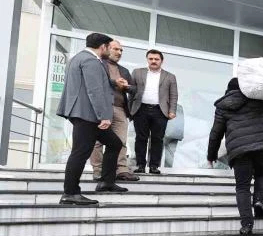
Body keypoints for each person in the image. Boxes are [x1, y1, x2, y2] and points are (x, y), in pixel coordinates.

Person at [208, 79, 263, 236]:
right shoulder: (258, 99)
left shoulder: (223, 106)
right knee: (261, 174)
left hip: (240, 149)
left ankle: (247, 224)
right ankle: (258, 200)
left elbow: (215, 133)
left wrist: (211, 155)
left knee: (242, 187)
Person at [57, 32, 128, 205]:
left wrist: (112, 83)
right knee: (80, 153)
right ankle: (70, 193)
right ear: (103, 47)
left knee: (114, 143)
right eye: (109, 48)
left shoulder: (79, 58)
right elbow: (94, 90)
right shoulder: (91, 61)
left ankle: (106, 182)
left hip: (85, 114)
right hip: (88, 115)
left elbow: (91, 84)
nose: (110, 51)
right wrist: (104, 116)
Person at [89, 39, 139, 182]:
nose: (119, 52)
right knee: (97, 141)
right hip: (101, 107)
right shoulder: (97, 65)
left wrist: (126, 87)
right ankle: (98, 170)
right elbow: (97, 82)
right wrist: (115, 82)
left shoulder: (124, 70)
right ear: (106, 48)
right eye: (116, 49)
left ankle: (121, 170)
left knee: (121, 141)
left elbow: (134, 89)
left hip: (119, 108)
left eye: (121, 50)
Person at [129, 50, 178, 175]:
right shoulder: (137, 72)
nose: (153, 61)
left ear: (161, 61)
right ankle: (140, 165)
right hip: (141, 109)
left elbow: (173, 95)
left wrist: (172, 110)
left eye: (156, 59)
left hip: (160, 111)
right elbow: (131, 92)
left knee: (158, 139)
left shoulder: (170, 76)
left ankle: (154, 166)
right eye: (151, 59)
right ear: (147, 60)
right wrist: (130, 110)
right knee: (141, 138)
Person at [163, 103, 184, 168]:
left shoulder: (162, 105)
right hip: (175, 134)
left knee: (156, 153)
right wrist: (180, 135)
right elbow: (181, 122)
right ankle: (168, 170)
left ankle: (154, 168)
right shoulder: (179, 107)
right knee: (170, 155)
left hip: (164, 133)